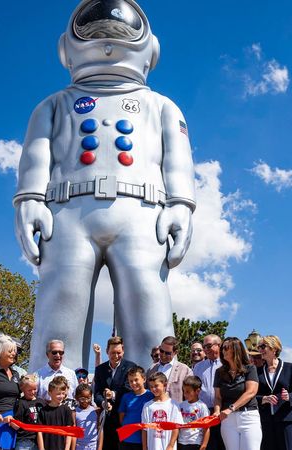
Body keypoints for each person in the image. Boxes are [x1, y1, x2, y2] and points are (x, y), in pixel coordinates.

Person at [17, 0, 198, 374]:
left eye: (117, 27)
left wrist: (181, 203)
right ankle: (55, 394)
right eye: (95, 26)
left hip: (142, 214)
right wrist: (30, 197)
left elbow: (178, 160)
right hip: (67, 212)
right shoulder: (53, 106)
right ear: (67, 49)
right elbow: (36, 155)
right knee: (60, 305)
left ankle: (155, 391)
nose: (106, 34)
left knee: (148, 304)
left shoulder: (162, 107)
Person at [213, 337, 261, 450]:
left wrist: (231, 408)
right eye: (222, 348)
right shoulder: (219, 372)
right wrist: (217, 411)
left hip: (248, 417)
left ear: (236, 349)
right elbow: (218, 397)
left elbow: (251, 392)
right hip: (227, 420)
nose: (223, 350)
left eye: (226, 347)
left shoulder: (250, 368)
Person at [255, 335, 292, 450]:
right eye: (259, 347)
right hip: (266, 420)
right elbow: (253, 395)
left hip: (287, 419)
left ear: (274, 348)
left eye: (263, 346)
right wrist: (263, 399)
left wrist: (288, 396)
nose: (260, 350)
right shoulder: (257, 371)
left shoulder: (289, 367)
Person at [94, 336, 137, 450]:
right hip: (106, 422)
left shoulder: (131, 367)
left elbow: (129, 389)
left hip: (124, 418)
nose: (116, 356)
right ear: (107, 351)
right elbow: (97, 393)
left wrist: (113, 394)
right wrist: (103, 403)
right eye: (113, 353)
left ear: (123, 351)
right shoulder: (100, 369)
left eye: (119, 352)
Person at [193, 335, 224, 450]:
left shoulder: (227, 364)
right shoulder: (198, 367)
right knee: (207, 445)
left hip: (223, 411)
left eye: (209, 346)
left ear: (219, 346)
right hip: (204, 412)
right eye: (204, 346)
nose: (206, 349)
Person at [142, 372, 183, 450]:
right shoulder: (147, 406)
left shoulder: (174, 405)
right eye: (151, 387)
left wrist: (171, 445)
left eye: (156, 386)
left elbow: (176, 427)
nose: (153, 389)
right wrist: (144, 447)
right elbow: (144, 429)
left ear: (165, 385)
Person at [146, 336, 193, 403]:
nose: (163, 355)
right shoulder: (151, 370)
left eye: (167, 353)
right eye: (161, 351)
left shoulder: (185, 370)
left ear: (175, 352)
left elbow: (190, 396)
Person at [119, 366, 155, 450]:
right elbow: (121, 417)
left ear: (144, 379)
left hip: (143, 440)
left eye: (136, 380)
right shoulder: (126, 397)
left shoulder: (151, 396)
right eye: (131, 381)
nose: (133, 383)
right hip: (126, 439)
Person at [10, 374, 44, 450]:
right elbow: (17, 423)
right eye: (29, 390)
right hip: (25, 441)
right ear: (22, 389)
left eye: (35, 389)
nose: (33, 392)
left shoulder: (41, 402)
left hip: (40, 439)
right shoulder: (21, 403)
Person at [40, 376, 75, 450]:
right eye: (58, 394)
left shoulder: (66, 410)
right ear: (50, 393)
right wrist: (41, 448)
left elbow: (69, 431)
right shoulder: (43, 411)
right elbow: (39, 432)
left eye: (63, 393)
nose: (61, 396)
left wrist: (67, 448)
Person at [178, 376, 210, 450]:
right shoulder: (181, 405)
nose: (185, 394)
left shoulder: (202, 406)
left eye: (188, 391)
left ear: (197, 391)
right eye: (184, 391)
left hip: (195, 442)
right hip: (181, 442)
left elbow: (206, 427)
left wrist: (204, 445)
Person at [75, 384, 102, 450]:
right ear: (76, 397)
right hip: (79, 447)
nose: (86, 401)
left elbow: (100, 430)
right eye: (82, 399)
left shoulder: (96, 411)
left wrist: (100, 447)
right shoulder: (74, 413)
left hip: (93, 446)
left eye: (88, 398)